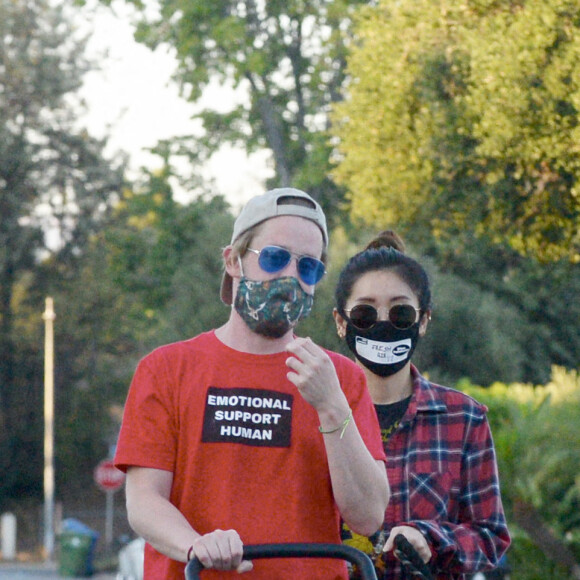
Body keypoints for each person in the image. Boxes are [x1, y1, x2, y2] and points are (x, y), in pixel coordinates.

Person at [114, 188, 389, 579]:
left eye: (308, 267)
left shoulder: (339, 378)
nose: (290, 277)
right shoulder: (166, 369)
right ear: (233, 261)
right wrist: (195, 544)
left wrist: (332, 407)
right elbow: (144, 501)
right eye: (275, 259)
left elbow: (368, 515)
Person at [334, 230, 510, 579]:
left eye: (400, 313)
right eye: (365, 314)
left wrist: (431, 539)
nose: (383, 325)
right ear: (342, 322)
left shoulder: (464, 418)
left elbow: (490, 537)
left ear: (424, 320)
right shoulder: (312, 414)